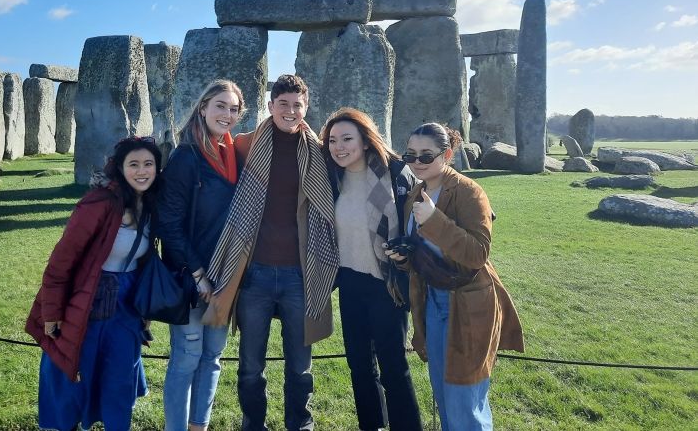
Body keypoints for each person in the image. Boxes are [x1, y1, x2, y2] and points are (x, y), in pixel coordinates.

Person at [203, 74, 338, 431]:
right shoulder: (247, 143)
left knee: (299, 365)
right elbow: (207, 155)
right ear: (270, 106)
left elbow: (362, 158)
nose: (290, 111)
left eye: (297, 104)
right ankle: (253, 424)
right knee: (250, 364)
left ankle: (300, 424)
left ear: (306, 107)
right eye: (283, 104)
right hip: (255, 272)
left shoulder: (321, 152)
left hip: (300, 272)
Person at [385, 123, 524, 431]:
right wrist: (405, 257)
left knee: (464, 403)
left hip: (468, 303)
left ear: (447, 154)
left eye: (426, 156)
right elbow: (426, 254)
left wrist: (435, 219)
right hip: (433, 302)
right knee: (445, 396)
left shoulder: (468, 191)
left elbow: (477, 254)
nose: (417, 163)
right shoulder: (416, 194)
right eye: (411, 155)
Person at [25, 136, 161, 431]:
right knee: (73, 376)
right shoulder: (98, 204)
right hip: (86, 300)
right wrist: (51, 313)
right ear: (120, 168)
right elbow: (61, 262)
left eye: (148, 164)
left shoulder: (149, 205)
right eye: (134, 164)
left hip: (126, 306)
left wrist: (146, 310)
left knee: (119, 379)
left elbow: (145, 261)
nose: (142, 171)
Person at [321, 108, 423, 431]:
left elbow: (420, 214)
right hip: (350, 283)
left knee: (394, 367)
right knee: (360, 368)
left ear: (365, 141)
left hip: (386, 283)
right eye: (333, 140)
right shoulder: (331, 177)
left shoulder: (395, 173)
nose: (339, 147)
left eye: (347, 139)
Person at [158, 79, 245, 431]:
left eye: (233, 108)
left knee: (212, 358)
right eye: (220, 105)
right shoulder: (186, 157)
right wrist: (197, 275)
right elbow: (169, 223)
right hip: (190, 278)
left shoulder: (234, 155)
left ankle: (200, 426)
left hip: (225, 277)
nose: (227, 114)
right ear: (203, 107)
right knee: (187, 358)